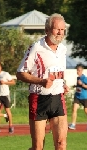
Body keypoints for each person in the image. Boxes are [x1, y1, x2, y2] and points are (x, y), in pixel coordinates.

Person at [16, 13, 69, 150]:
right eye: (57, 29)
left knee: (61, 144)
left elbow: (57, 71)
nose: (60, 33)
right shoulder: (36, 48)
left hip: (58, 98)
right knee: (38, 147)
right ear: (47, 30)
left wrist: (63, 83)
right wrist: (41, 81)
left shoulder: (63, 49)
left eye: (62, 30)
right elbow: (20, 73)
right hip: (39, 99)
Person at [0, 62, 15, 133]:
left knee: (7, 111)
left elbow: (13, 82)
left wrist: (4, 83)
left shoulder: (5, 74)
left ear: (0, 68)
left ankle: (10, 126)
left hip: (5, 95)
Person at [68, 65, 87, 130]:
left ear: (82, 71)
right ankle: (73, 124)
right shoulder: (78, 78)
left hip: (84, 97)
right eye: (77, 70)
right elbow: (79, 86)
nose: (78, 71)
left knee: (86, 110)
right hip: (77, 96)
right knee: (74, 109)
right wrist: (75, 86)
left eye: (79, 70)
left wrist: (82, 84)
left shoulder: (85, 78)